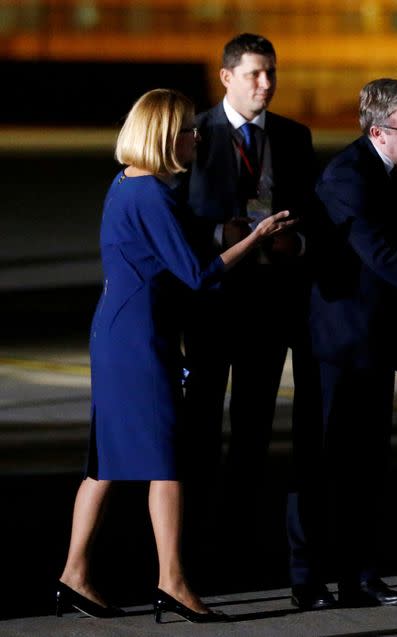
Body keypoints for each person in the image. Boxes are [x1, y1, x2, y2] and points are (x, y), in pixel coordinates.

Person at [56, 89, 295, 623]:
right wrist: (257, 237)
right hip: (140, 341)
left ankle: (74, 575)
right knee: (167, 460)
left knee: (107, 463)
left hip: (119, 333)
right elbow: (201, 276)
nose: (197, 136)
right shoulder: (152, 196)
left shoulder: (129, 184)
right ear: (166, 136)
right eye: (189, 129)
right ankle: (173, 582)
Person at [182, 33, 326, 607]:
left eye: (271, 73)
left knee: (253, 430)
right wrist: (226, 236)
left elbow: (313, 209)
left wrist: (298, 243)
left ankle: (238, 547)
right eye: (255, 74)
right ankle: (189, 551)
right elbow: (179, 218)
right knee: (198, 432)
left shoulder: (293, 136)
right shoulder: (194, 134)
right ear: (226, 77)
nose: (266, 83)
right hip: (214, 303)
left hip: (270, 304)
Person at [310, 78, 397, 607]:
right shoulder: (347, 175)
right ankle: (310, 578)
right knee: (329, 462)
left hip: (377, 338)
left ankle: (361, 575)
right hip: (341, 343)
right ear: (378, 131)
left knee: (368, 465)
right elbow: (382, 254)